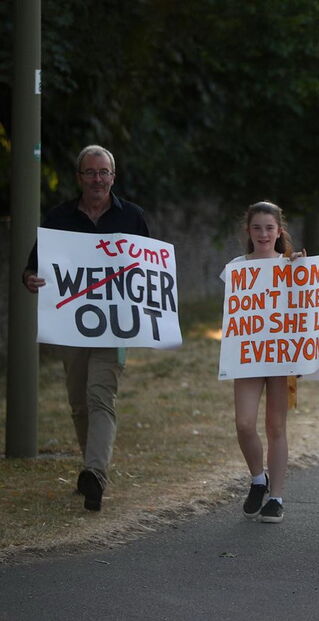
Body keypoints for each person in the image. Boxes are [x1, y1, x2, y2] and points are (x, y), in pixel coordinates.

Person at [22, 145, 150, 511]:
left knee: (100, 397)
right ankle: (89, 471)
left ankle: (96, 473)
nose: (98, 179)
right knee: (79, 403)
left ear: (114, 176)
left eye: (104, 172)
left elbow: (145, 273)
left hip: (114, 326)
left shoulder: (133, 218)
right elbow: (34, 266)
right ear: (79, 177)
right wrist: (30, 278)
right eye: (90, 172)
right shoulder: (58, 218)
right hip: (70, 327)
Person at [222, 201, 304, 523]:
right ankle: (258, 478)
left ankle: (277, 497)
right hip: (248, 355)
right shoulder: (236, 267)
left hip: (281, 355)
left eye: (269, 228)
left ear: (279, 231)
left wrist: (302, 270)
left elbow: (306, 307)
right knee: (244, 423)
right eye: (257, 227)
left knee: (275, 426)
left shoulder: (291, 265)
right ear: (248, 231)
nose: (263, 233)